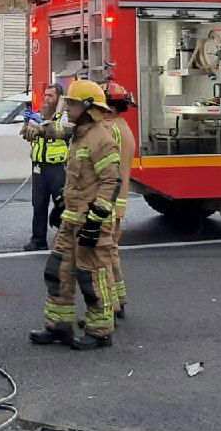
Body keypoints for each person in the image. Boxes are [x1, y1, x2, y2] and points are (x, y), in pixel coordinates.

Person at [28, 80, 122, 350]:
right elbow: (58, 129)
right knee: (58, 272)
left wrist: (97, 218)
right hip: (71, 220)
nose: (66, 107)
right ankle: (59, 326)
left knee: (92, 278)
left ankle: (100, 331)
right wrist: (37, 129)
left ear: (88, 108)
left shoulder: (102, 139)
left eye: (72, 103)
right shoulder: (79, 133)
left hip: (91, 224)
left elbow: (110, 183)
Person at [101, 80, 137, 320]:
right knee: (112, 254)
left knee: (101, 258)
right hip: (117, 205)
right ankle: (120, 300)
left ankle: (109, 306)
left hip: (106, 205)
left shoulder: (109, 130)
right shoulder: (124, 128)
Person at [20, 84, 70, 251]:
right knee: (38, 204)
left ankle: (65, 241)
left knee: (62, 204)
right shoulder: (39, 114)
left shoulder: (65, 117)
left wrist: (42, 128)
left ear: (59, 98)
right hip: (39, 167)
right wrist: (27, 125)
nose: (47, 98)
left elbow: (62, 131)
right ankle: (38, 240)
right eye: (46, 95)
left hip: (57, 167)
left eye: (51, 96)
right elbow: (26, 134)